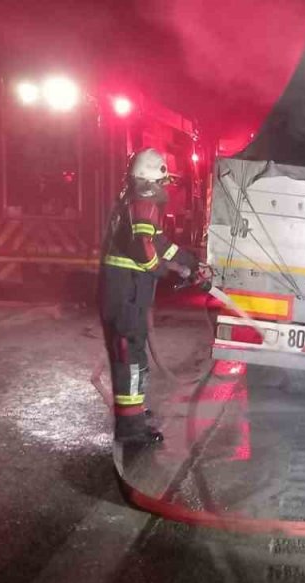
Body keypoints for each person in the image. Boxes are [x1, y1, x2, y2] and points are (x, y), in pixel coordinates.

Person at [98, 149, 205, 446]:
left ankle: (135, 415)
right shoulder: (146, 198)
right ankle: (130, 429)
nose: (165, 187)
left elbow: (158, 242)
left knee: (135, 358)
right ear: (154, 176)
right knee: (130, 361)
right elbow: (145, 246)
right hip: (126, 294)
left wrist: (190, 261)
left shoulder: (134, 199)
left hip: (127, 294)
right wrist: (159, 268)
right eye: (164, 179)